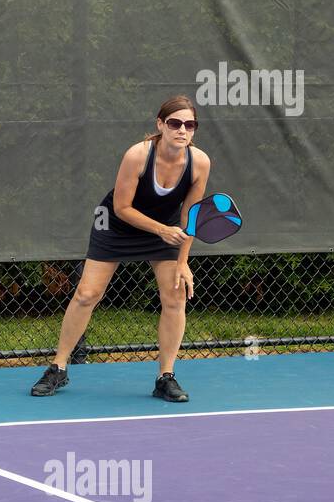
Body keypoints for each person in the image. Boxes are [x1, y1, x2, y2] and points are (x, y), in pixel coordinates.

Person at [31, 95, 210, 402]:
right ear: (160, 125)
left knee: (176, 293)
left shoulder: (199, 163)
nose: (182, 130)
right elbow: (122, 207)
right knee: (87, 294)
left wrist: (183, 261)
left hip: (165, 227)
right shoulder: (138, 155)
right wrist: (161, 230)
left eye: (190, 125)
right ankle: (58, 368)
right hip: (117, 224)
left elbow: (189, 217)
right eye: (175, 123)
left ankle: (165, 377)